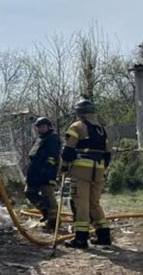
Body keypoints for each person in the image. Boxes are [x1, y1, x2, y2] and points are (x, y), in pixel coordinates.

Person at [60, 100, 111, 249]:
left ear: (79, 113)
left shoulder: (77, 126)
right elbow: (107, 153)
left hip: (81, 171)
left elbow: (68, 150)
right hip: (99, 170)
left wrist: (64, 167)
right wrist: (102, 169)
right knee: (94, 203)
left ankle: (81, 238)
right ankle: (104, 236)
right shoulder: (101, 129)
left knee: (80, 204)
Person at [25, 117, 60, 228]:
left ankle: (53, 220)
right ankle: (45, 212)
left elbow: (53, 157)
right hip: (35, 172)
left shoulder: (52, 138)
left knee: (47, 195)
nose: (41, 128)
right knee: (29, 193)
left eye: (43, 126)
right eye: (39, 127)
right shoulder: (39, 139)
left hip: (47, 172)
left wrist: (47, 170)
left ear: (48, 127)